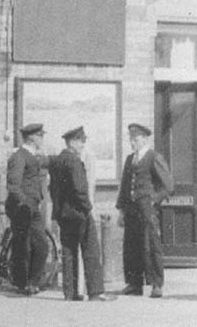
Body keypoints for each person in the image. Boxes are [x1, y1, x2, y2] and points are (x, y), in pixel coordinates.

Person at [49, 126, 116, 302]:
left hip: (64, 214)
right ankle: (96, 292)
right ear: (72, 142)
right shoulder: (74, 161)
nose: (83, 145)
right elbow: (80, 190)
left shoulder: (57, 161)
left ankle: (70, 293)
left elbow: (52, 189)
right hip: (80, 213)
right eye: (81, 141)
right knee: (91, 250)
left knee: (69, 252)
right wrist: (88, 208)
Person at [116, 122, 174, 298]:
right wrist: (121, 211)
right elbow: (125, 187)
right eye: (131, 139)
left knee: (151, 245)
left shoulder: (153, 157)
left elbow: (168, 186)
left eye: (136, 139)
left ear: (145, 139)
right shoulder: (129, 159)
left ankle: (156, 284)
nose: (132, 142)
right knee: (131, 246)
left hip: (147, 210)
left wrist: (153, 200)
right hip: (132, 210)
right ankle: (134, 284)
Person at [5, 122, 49, 295]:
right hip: (22, 207)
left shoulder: (32, 156)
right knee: (23, 245)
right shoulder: (19, 156)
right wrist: (24, 202)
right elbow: (13, 184)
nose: (42, 139)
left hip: (32, 206)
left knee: (39, 244)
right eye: (40, 136)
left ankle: (30, 282)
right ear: (32, 138)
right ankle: (23, 284)